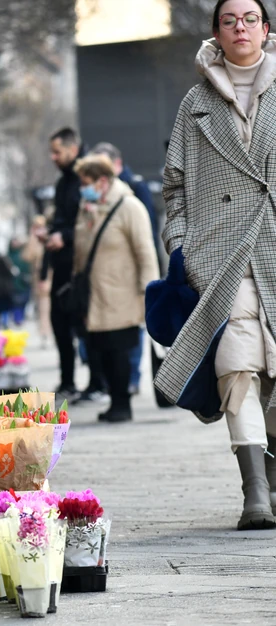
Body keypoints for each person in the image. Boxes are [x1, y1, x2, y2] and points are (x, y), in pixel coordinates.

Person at [155, 0, 276, 530]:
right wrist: (180, 245)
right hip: (221, 256)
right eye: (230, 20)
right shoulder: (195, 101)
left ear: (267, 30)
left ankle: (272, 483)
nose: (240, 28)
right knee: (237, 368)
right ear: (216, 33)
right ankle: (255, 493)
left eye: (250, 19)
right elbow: (174, 186)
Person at [73, 155, 159, 423]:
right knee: (102, 350)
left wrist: (149, 292)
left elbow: (146, 252)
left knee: (121, 350)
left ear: (102, 180)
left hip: (123, 293)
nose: (82, 187)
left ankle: (123, 404)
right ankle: (114, 402)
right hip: (96, 294)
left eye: (86, 182)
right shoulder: (89, 206)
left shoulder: (129, 206)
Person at [90, 141, 160, 396]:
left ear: (116, 165)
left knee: (131, 332)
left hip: (127, 278)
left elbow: (146, 239)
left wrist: (148, 284)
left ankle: (132, 379)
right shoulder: (97, 197)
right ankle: (117, 384)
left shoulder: (132, 192)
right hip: (107, 281)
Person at [44, 127, 84, 398]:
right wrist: (49, 234)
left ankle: (97, 383)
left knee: (82, 326)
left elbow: (83, 224)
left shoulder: (84, 179)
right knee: (58, 322)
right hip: (60, 264)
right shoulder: (62, 183)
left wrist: (64, 237)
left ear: (73, 149)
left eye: (57, 151)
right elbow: (62, 220)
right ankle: (67, 380)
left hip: (77, 265)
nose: (52, 157)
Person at [21, 216, 53, 347]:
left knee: (49, 308)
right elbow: (26, 256)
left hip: (50, 277)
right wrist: (32, 238)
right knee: (42, 309)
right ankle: (44, 333)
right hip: (39, 279)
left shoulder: (49, 238)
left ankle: (48, 333)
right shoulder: (34, 241)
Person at [7, 237, 32, 326]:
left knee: (23, 301)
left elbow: (28, 267)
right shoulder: (8, 256)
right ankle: (17, 318)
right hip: (12, 283)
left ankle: (21, 317)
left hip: (23, 282)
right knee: (15, 302)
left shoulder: (23, 255)